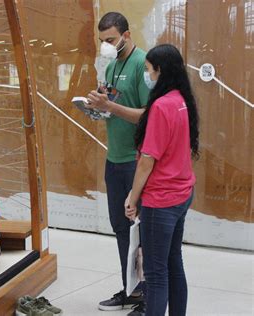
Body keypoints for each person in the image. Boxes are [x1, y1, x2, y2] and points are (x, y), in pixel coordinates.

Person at [125, 44, 199, 316]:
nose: (147, 75)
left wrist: (133, 197)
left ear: (160, 71)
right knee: (173, 262)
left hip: (162, 200)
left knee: (155, 274)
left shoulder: (161, 106)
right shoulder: (181, 100)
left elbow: (147, 160)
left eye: (148, 70)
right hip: (181, 193)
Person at [86, 12, 150, 314]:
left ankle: (148, 292)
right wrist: (97, 106)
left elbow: (149, 115)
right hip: (113, 158)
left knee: (141, 230)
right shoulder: (111, 65)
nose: (106, 46)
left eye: (110, 40)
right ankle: (130, 288)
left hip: (135, 161)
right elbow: (113, 107)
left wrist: (109, 105)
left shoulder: (142, 64)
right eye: (102, 41)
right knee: (120, 228)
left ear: (126, 34)